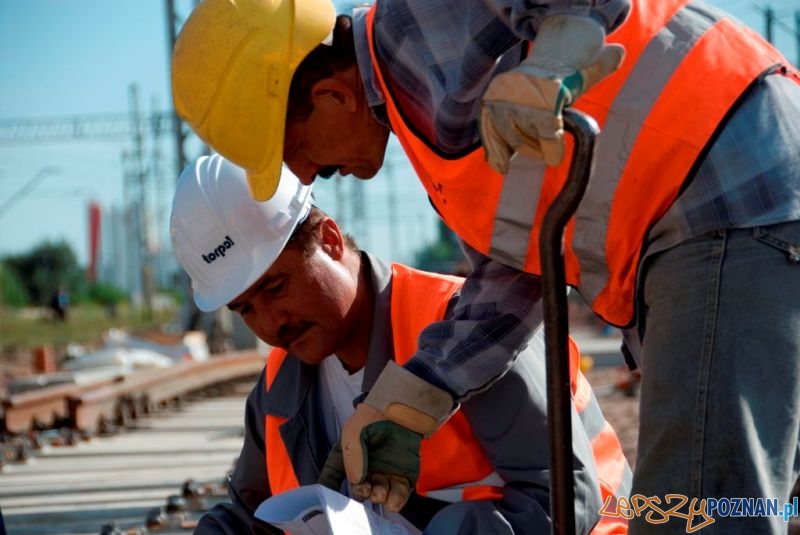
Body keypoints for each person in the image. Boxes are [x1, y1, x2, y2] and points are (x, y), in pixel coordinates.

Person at [171, 1, 800, 532]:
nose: (309, 174)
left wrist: (559, 49)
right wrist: (415, 398)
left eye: (296, 151)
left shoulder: (419, 22)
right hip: (719, 209)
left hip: (724, 188)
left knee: (697, 512)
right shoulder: (421, 118)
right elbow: (519, 271)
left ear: (332, 96)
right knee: (746, 501)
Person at [169, 154, 632, 534]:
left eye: (276, 288)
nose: (271, 323)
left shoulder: (470, 332)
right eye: (245, 309)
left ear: (329, 240)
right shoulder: (277, 389)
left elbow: (566, 501)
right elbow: (251, 517)